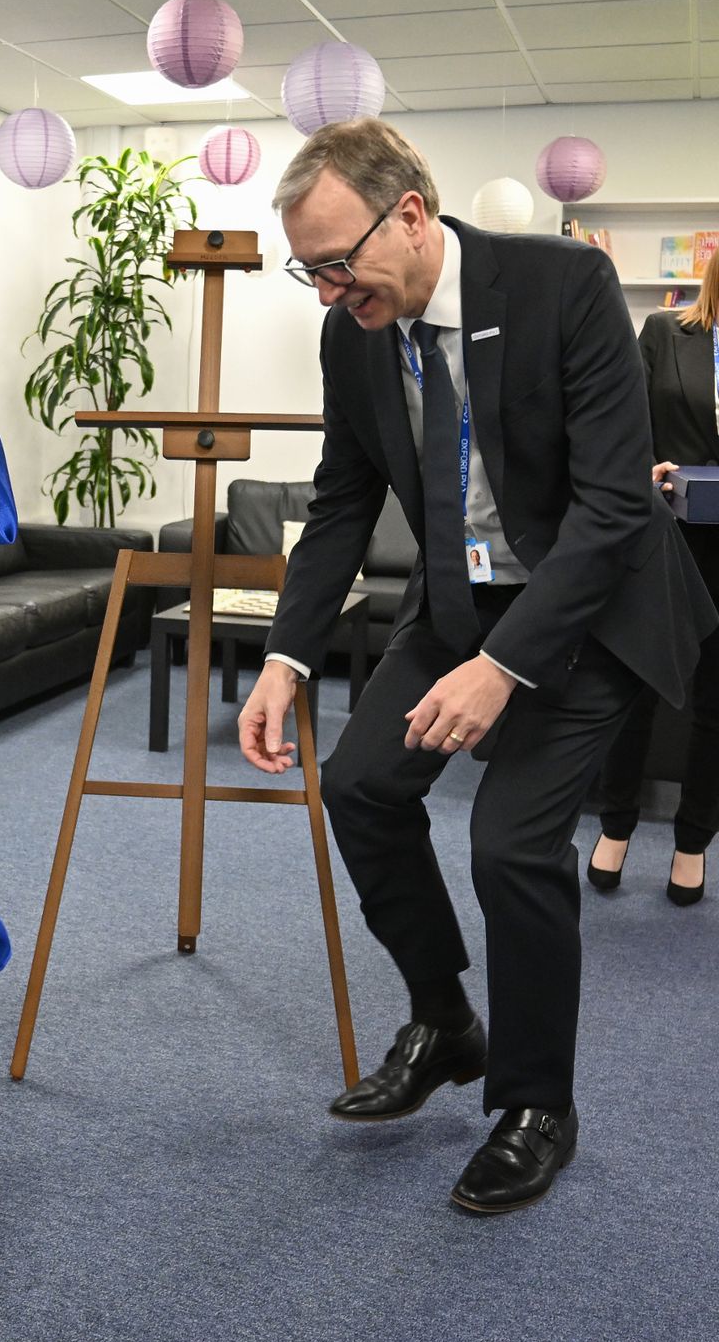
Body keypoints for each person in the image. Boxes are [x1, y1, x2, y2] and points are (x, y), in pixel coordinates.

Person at [237, 118, 715, 1216]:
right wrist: (286, 659)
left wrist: (504, 665)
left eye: (334, 263)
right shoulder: (354, 335)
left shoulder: (565, 288)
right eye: (305, 271)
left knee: (509, 845)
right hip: (458, 601)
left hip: (591, 609)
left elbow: (609, 506)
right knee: (357, 787)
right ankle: (446, 1019)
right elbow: (344, 501)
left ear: (409, 214)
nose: (323, 291)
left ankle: (537, 1104)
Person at [587, 252, 719, 906]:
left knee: (716, 706)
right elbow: (624, 416)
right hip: (666, 538)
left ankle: (693, 843)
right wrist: (642, 467)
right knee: (635, 687)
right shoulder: (669, 331)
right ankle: (615, 827)